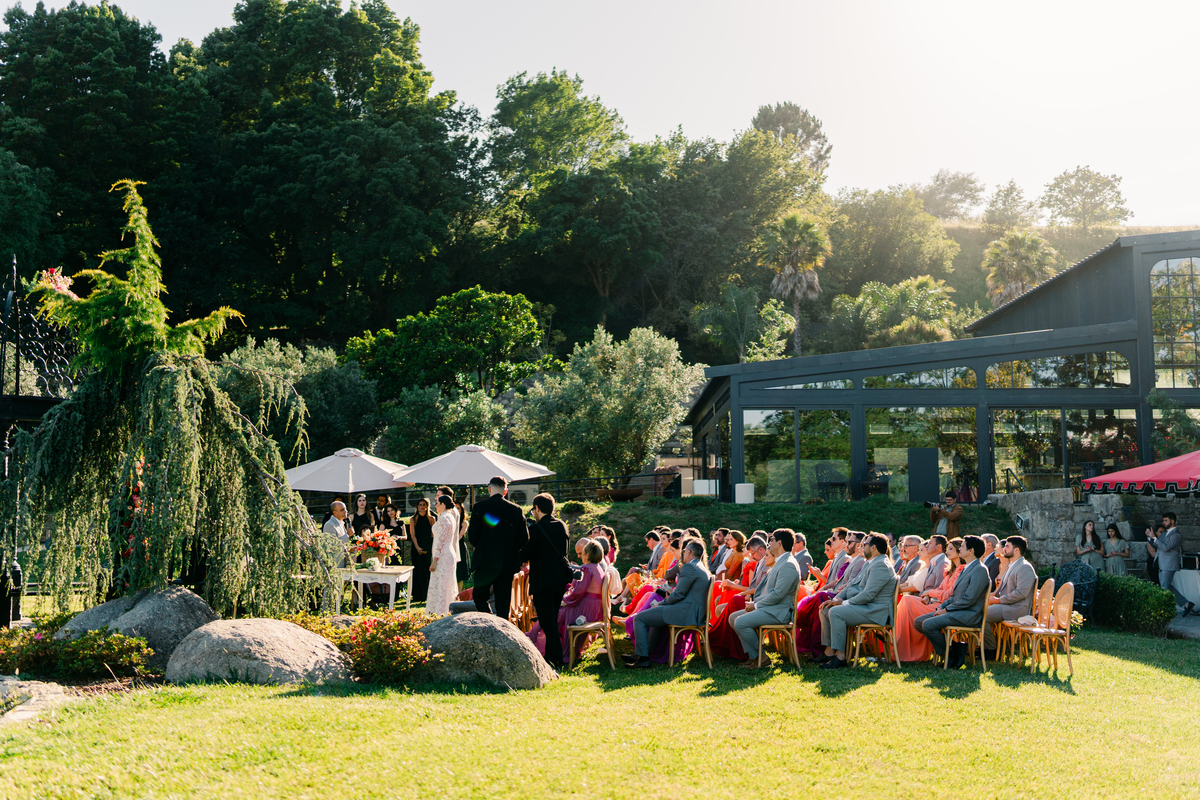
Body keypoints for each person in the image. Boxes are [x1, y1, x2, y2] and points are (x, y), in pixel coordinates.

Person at [624, 539, 711, 669]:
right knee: (654, 619)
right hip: (693, 612)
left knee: (639, 618)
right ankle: (643, 655)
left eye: (684, 551)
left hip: (685, 613)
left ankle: (643, 657)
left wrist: (661, 604)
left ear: (688, 552)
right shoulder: (701, 567)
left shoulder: (689, 567)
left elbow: (678, 595)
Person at [818, 533, 899, 669]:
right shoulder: (871, 562)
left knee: (836, 612)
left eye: (864, 544)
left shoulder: (881, 565)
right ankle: (829, 652)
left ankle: (841, 657)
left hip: (875, 611)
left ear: (873, 547)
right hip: (865, 607)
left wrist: (842, 603)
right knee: (825, 609)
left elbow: (868, 595)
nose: (862, 547)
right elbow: (851, 584)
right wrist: (836, 599)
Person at [915, 535, 989, 669]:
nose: (960, 548)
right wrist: (941, 607)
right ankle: (955, 650)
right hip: (957, 611)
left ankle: (950, 654)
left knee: (928, 625)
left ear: (971, 550)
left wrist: (946, 610)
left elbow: (969, 599)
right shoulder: (965, 568)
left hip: (968, 614)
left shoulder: (980, 569)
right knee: (919, 622)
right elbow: (955, 595)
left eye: (963, 546)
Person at [732, 529, 802, 668]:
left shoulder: (788, 564)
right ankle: (754, 656)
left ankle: (761, 657)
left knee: (740, 622)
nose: (769, 543)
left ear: (779, 543)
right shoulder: (781, 561)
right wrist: (755, 603)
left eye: (772, 540)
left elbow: (778, 594)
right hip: (771, 608)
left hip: (779, 612)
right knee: (733, 617)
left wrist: (756, 606)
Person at [518, 492, 573, 669]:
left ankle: (556, 658)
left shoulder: (535, 529)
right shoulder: (562, 526)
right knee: (552, 619)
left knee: (547, 621)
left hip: (542, 581)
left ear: (537, 508)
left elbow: (524, 555)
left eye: (533, 510)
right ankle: (550, 655)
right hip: (560, 580)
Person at [467, 476, 530, 620]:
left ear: (489, 488)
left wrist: (483, 546)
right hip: (507, 561)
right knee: (503, 601)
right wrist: (511, 548)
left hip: (485, 559)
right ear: (505, 491)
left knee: (479, 596)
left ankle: (489, 621)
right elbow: (524, 537)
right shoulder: (516, 510)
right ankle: (501, 624)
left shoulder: (479, 507)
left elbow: (472, 535)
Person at [894, 538, 964, 662]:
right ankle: (898, 641)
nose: (947, 551)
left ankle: (903, 645)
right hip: (935, 601)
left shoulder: (959, 570)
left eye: (951, 549)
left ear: (960, 552)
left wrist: (929, 593)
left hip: (943, 605)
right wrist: (927, 595)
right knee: (907, 600)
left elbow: (948, 594)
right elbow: (940, 588)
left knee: (908, 602)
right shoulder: (950, 569)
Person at [983, 535, 1036, 652]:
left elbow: (1021, 592)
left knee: (982, 615)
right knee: (978, 609)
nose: (1004, 549)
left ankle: (990, 649)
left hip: (1017, 608)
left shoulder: (1024, 567)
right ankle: (979, 646)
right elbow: (1000, 590)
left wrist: (998, 600)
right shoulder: (1012, 565)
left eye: (1007, 546)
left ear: (1016, 550)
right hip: (1007, 605)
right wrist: (987, 597)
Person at [1147, 512, 1193, 615]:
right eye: (1163, 520)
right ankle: (1186, 604)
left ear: (1172, 521)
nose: (1163, 522)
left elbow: (1166, 547)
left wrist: (1154, 538)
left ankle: (1167, 609)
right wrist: (1150, 537)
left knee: (1165, 587)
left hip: (1169, 564)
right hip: (1161, 563)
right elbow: (1158, 544)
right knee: (1166, 586)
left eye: (1165, 520)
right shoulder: (1164, 533)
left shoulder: (1176, 535)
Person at [425, 495, 460, 615]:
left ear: (443, 505)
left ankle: (441, 612)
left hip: (443, 555)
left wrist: (434, 561)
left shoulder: (444, 518)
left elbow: (441, 541)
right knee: (445, 583)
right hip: (448, 553)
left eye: (437, 503)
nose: (435, 506)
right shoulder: (450, 517)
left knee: (442, 584)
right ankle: (445, 610)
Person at [408, 498, 436, 602]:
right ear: (417, 506)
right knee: (417, 571)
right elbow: (413, 535)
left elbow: (433, 534)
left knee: (427, 571)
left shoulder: (432, 518)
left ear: (427, 506)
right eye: (420, 504)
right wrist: (418, 548)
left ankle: (427, 595)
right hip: (417, 547)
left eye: (424, 505)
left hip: (428, 547)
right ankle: (417, 596)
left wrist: (429, 547)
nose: (422, 507)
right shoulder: (413, 519)